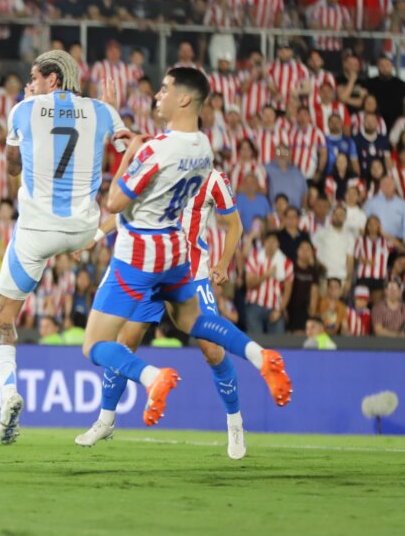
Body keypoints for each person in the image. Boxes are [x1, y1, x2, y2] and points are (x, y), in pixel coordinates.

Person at [81, 68, 291, 431]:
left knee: (95, 344)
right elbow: (155, 158)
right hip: (176, 252)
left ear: (184, 98)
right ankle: (260, 355)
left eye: (163, 89)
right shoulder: (203, 149)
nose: (156, 96)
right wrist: (122, 130)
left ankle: (151, 378)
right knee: (193, 321)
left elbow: (115, 201)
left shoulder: (156, 150)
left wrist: (128, 155)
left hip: (139, 255)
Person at [0, 50, 130, 445]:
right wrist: (112, 114)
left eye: (33, 78)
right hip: (86, 227)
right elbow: (129, 156)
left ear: (53, 79)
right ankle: (108, 409)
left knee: (3, 317)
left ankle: (8, 394)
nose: (28, 86)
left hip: (37, 230)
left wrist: (21, 125)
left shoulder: (24, 109)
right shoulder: (102, 110)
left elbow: (13, 166)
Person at [77, 163, 249, 459]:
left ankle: (235, 423)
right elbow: (124, 212)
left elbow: (235, 224)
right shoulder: (159, 170)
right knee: (125, 342)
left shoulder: (213, 179)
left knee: (212, 350)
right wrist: (94, 237)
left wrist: (223, 263)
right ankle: (106, 419)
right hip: (152, 269)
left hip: (192, 275)